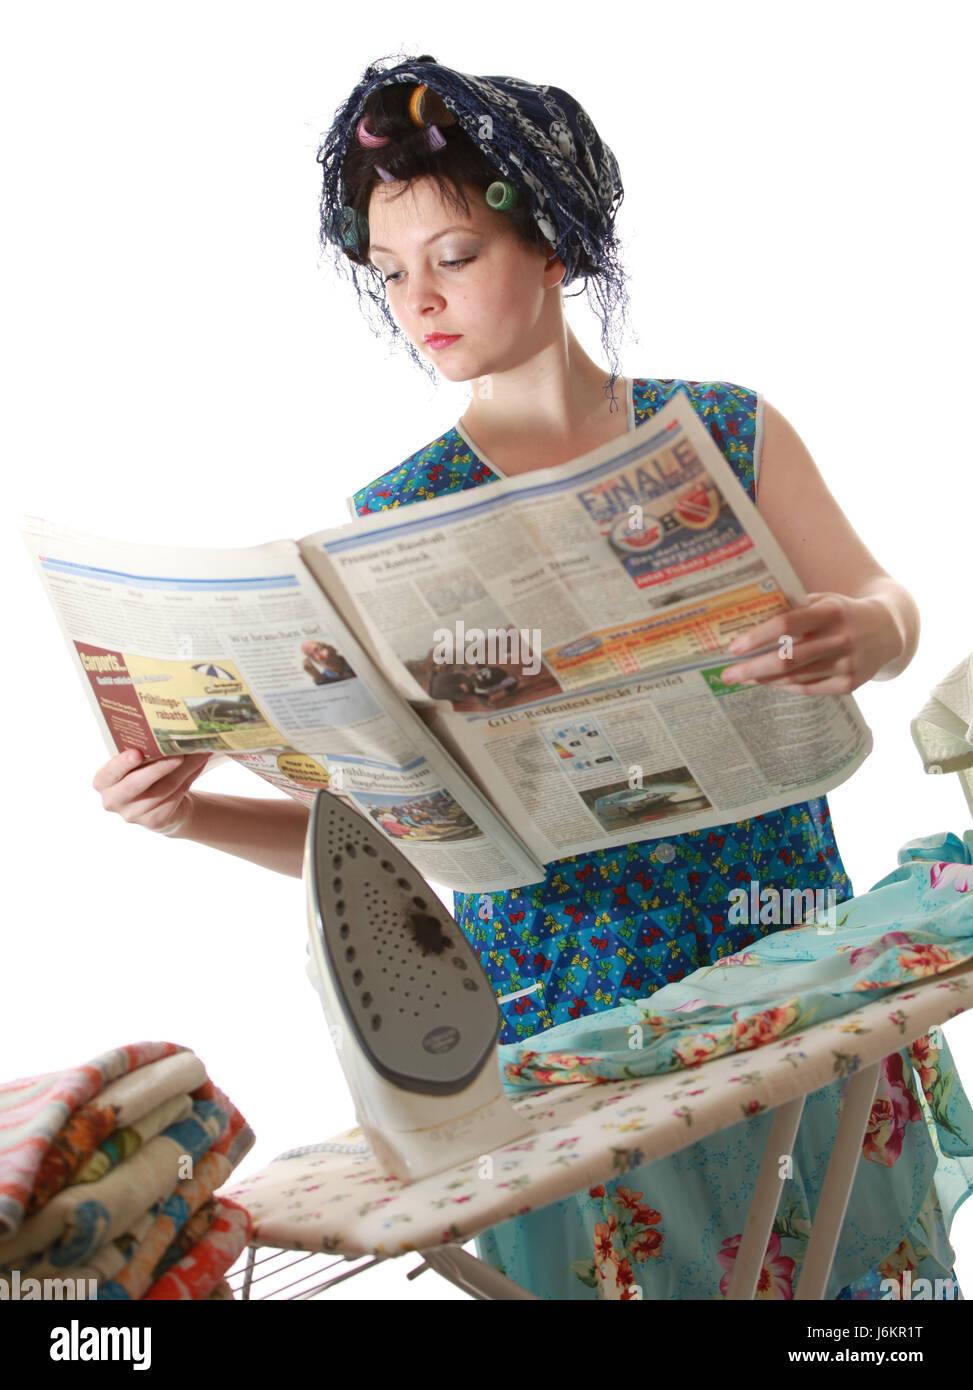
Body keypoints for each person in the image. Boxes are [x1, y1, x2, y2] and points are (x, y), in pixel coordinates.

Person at [91, 53, 961, 1300]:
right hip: (564, 1009)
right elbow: (400, 833)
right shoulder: (394, 519)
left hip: (785, 947)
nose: (417, 300)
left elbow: (885, 601)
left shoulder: (719, 430)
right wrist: (190, 813)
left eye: (452, 256)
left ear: (553, 247)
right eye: (389, 273)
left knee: (843, 1284)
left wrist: (864, 634)